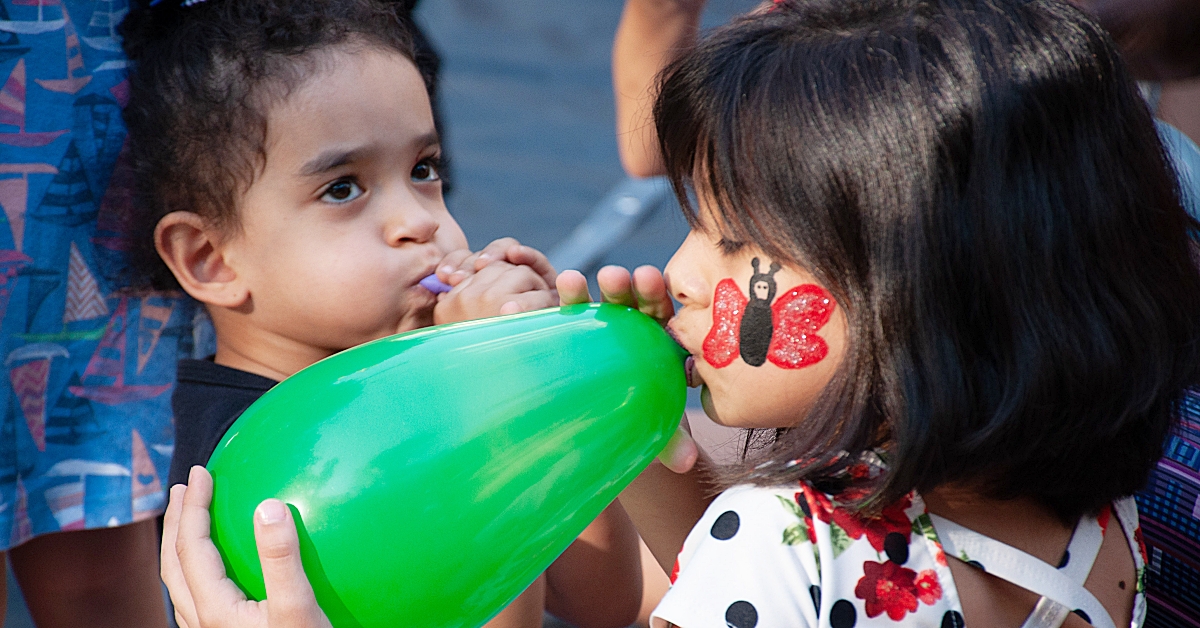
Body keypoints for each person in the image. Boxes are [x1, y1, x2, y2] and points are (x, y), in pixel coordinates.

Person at [161, 0, 1200, 626]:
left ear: (924, 292)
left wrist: (481, 433)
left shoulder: (778, 542)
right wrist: (641, 437)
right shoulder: (1094, 510)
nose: (677, 271)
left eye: (739, 241)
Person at [120, 1, 642, 626]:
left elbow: (608, 602)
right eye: (343, 188)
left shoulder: (407, 375)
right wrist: (482, 396)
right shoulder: (249, 454)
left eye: (424, 170)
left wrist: (546, 385)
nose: (421, 220)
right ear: (212, 259)